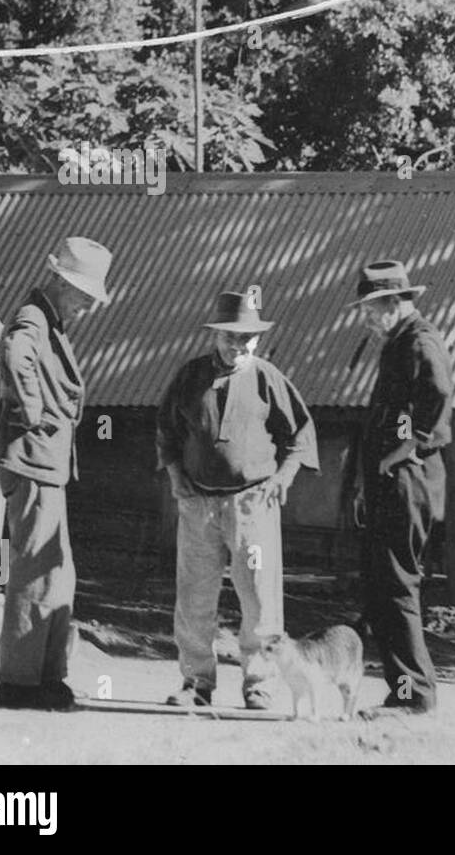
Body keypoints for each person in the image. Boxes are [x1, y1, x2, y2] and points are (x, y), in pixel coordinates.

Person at [156, 291, 318, 709]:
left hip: (252, 505)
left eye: (248, 339)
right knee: (194, 596)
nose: (239, 346)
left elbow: (299, 435)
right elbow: (167, 434)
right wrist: (176, 477)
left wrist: (284, 476)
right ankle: (196, 684)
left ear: (258, 339)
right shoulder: (190, 377)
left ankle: (260, 683)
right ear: (216, 335)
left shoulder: (268, 378)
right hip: (198, 505)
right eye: (231, 337)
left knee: (261, 598)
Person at [0, 236, 113, 711]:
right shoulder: (33, 317)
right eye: (83, 294)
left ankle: (47, 675)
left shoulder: (50, 319)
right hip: (33, 460)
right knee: (37, 571)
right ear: (60, 281)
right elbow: (16, 355)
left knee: (58, 574)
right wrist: (33, 411)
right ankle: (19, 682)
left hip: (47, 464)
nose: (86, 305)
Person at [352, 260, 453, 714]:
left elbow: (436, 395)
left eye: (371, 309)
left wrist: (403, 449)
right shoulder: (398, 342)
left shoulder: (419, 339)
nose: (366, 318)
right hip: (391, 479)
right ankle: (405, 692)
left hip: (408, 479)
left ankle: (414, 696)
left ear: (394, 303)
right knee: (382, 586)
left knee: (396, 585)